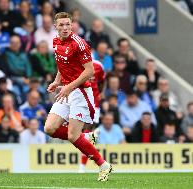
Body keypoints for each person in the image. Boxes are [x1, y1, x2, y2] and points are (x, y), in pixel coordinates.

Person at [44, 12, 112, 181]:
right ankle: (86, 138)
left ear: (72, 25)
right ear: (56, 27)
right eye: (61, 25)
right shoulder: (56, 41)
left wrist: (68, 86)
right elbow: (62, 64)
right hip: (66, 89)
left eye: (68, 24)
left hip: (80, 92)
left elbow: (89, 71)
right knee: (49, 128)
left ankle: (103, 165)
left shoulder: (79, 44)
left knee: (73, 136)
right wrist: (56, 81)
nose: (65, 28)